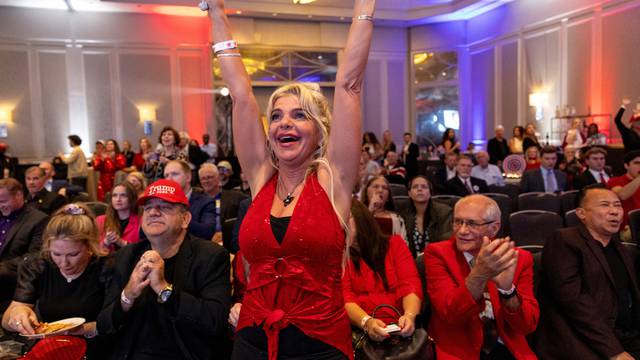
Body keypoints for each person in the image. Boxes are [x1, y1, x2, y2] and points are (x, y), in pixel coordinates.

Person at [212, 0, 375, 357]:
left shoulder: (334, 181)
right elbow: (241, 95)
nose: (285, 123)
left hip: (319, 347)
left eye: (299, 115)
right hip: (252, 342)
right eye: (277, 116)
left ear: (319, 131)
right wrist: (216, 13)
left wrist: (365, 7)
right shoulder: (260, 178)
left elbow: (348, 85)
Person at [97, 179, 231, 359]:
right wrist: (127, 296)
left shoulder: (210, 256)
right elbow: (104, 325)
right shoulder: (126, 256)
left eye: (165, 207)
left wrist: (163, 288)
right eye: (148, 208)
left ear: (185, 219)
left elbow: (215, 321)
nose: (153, 212)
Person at [425, 195, 539, 359]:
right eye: (458, 222)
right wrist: (480, 273)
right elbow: (450, 314)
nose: (462, 231)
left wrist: (507, 291)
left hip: (506, 346)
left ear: (494, 227)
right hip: (458, 349)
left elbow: (527, 325)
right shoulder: (438, 254)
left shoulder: (518, 258)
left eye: (472, 224)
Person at [535, 187, 640, 359]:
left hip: (625, 335)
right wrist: (614, 351)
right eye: (605, 205)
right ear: (581, 213)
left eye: (618, 206)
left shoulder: (622, 249)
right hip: (581, 338)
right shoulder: (565, 240)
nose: (614, 212)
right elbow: (573, 301)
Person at [1, 203, 113, 359]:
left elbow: (117, 322)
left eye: (73, 254)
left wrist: (81, 329)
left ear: (90, 246)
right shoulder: (39, 265)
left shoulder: (107, 268)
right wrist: (17, 315)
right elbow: (7, 319)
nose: (64, 263)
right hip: (52, 349)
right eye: (57, 254)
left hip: (97, 349)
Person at [342, 199, 422, 341]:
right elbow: (345, 297)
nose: (340, 225)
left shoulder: (395, 245)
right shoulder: (340, 255)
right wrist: (366, 322)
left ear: (361, 219)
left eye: (345, 219)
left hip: (400, 326)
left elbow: (410, 285)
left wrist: (409, 316)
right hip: (360, 331)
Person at [0, 179, 49, 312]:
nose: (0, 205)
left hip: (15, 280)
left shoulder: (39, 219)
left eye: (3, 201)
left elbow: (35, 256)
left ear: (19, 195)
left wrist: (2, 267)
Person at [400, 175, 452, 258]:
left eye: (424, 187)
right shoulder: (403, 214)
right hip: (411, 261)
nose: (419, 189)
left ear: (430, 192)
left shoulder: (444, 212)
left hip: (437, 259)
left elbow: (445, 241)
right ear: (409, 193)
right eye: (415, 187)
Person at [197, 163, 248, 246]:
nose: (206, 181)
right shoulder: (196, 201)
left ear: (218, 179)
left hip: (230, 242)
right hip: (204, 243)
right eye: (203, 178)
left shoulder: (236, 197)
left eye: (209, 177)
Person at [164, 160, 216, 240]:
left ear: (188, 177)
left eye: (174, 174)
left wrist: (179, 217)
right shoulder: (160, 201)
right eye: (166, 175)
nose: (169, 179)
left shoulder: (205, 201)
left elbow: (207, 232)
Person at [96, 182, 141, 253]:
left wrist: (122, 243)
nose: (118, 199)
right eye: (114, 195)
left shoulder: (141, 222)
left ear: (132, 198)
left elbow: (142, 249)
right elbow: (92, 248)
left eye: (123, 195)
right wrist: (105, 242)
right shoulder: (100, 220)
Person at [361, 175, 407, 240]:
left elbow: (402, 244)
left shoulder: (397, 219)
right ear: (366, 192)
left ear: (388, 197)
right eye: (376, 186)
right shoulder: (357, 214)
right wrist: (370, 209)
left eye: (384, 188)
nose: (380, 190)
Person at [607, 150, 640, 236]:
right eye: (637, 163)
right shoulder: (615, 181)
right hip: (627, 228)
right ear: (626, 165)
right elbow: (622, 195)